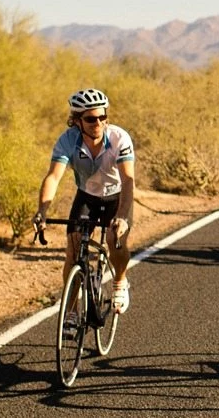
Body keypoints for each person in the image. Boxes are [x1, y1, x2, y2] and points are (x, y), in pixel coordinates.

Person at [34, 88, 137, 327]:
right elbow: (53, 177)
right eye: (91, 119)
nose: (98, 123)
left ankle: (120, 281)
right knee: (73, 250)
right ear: (77, 121)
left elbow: (128, 180)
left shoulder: (119, 139)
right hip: (87, 197)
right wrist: (42, 211)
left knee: (114, 239)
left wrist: (122, 216)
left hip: (116, 197)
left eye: (103, 117)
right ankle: (71, 310)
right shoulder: (68, 140)